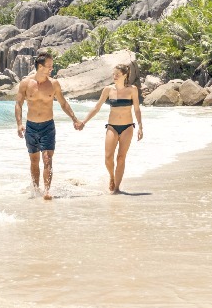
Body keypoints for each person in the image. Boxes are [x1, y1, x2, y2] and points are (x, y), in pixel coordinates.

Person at [15, 52, 83, 200]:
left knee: (47, 159)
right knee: (34, 160)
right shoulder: (26, 83)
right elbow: (18, 104)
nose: (51, 69)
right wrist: (19, 124)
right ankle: (35, 189)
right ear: (40, 67)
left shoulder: (53, 84)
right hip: (31, 127)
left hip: (48, 127)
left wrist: (74, 119)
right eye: (49, 66)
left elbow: (63, 103)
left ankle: (46, 191)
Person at [81, 64, 143, 194]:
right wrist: (84, 121)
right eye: (113, 74)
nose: (114, 77)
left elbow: (136, 109)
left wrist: (140, 126)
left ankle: (116, 188)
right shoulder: (108, 90)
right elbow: (97, 107)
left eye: (117, 75)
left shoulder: (132, 89)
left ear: (125, 75)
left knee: (121, 157)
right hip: (112, 127)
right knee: (108, 157)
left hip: (127, 127)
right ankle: (111, 176)